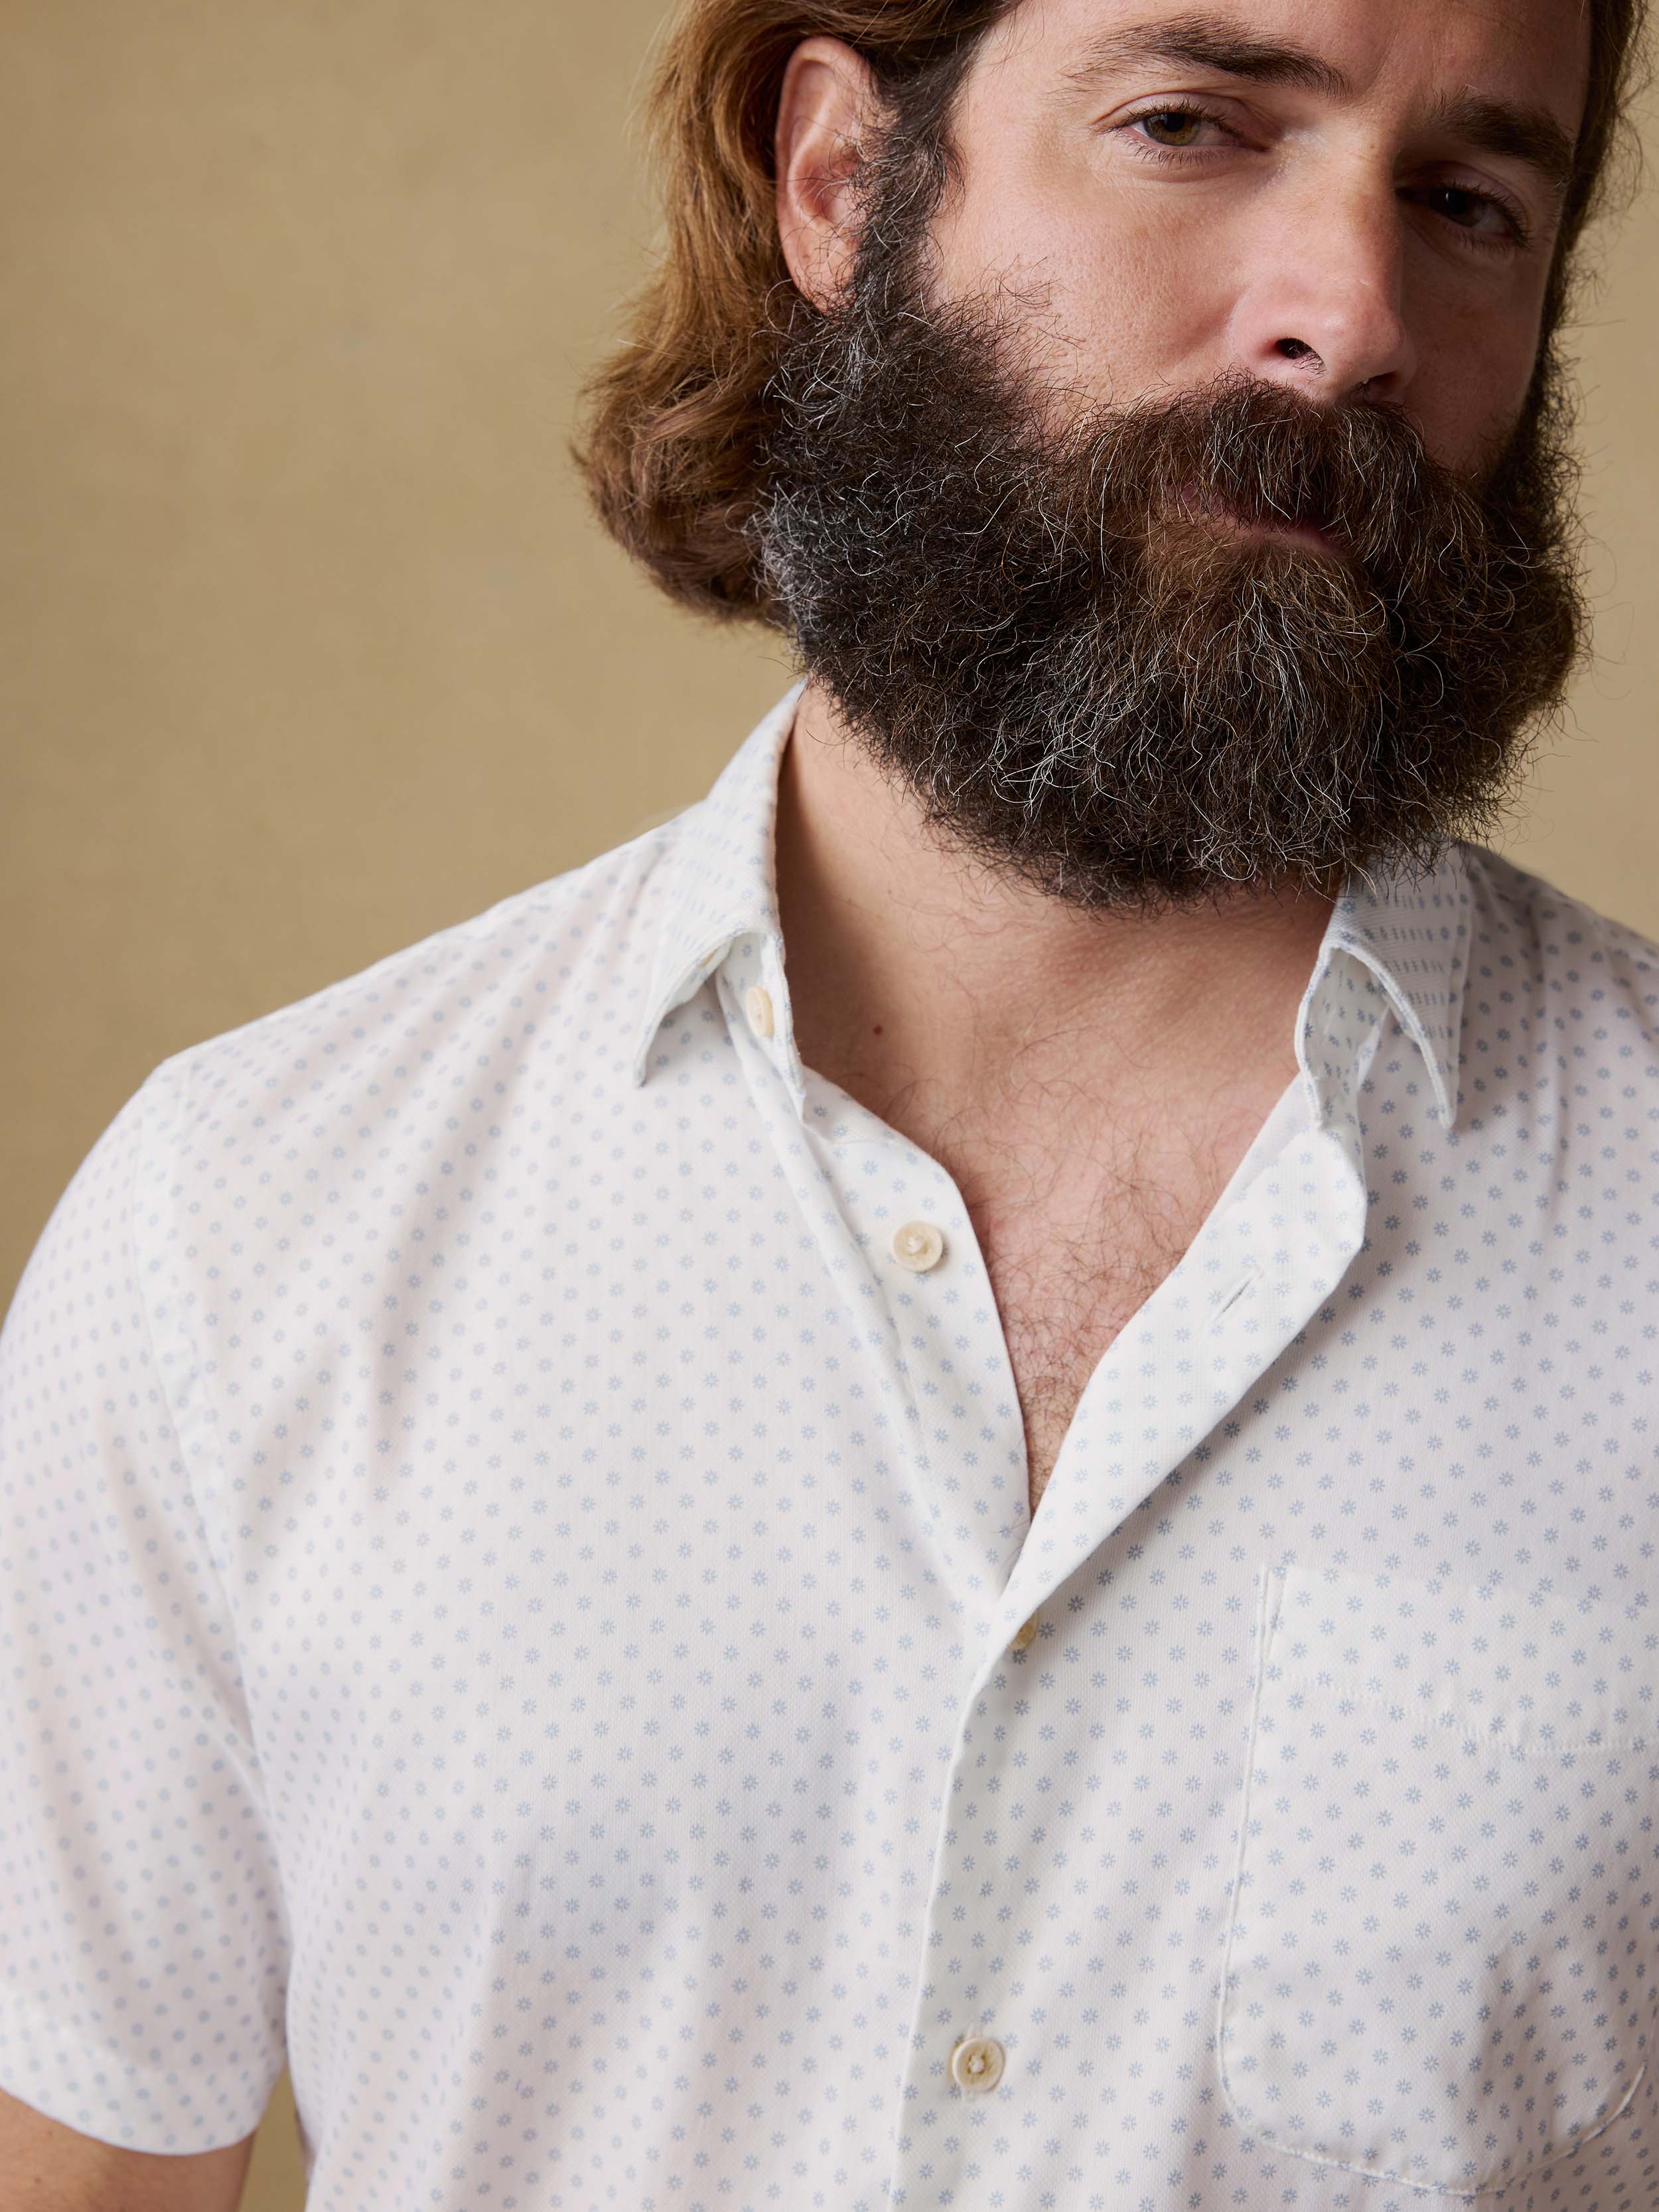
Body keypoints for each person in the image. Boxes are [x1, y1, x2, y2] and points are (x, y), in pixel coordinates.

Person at [1, 0, 1655, 2205]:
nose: (1346, 317)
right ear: (841, 180)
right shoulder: (247, 1230)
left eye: (1464, 203)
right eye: (1189, 126)